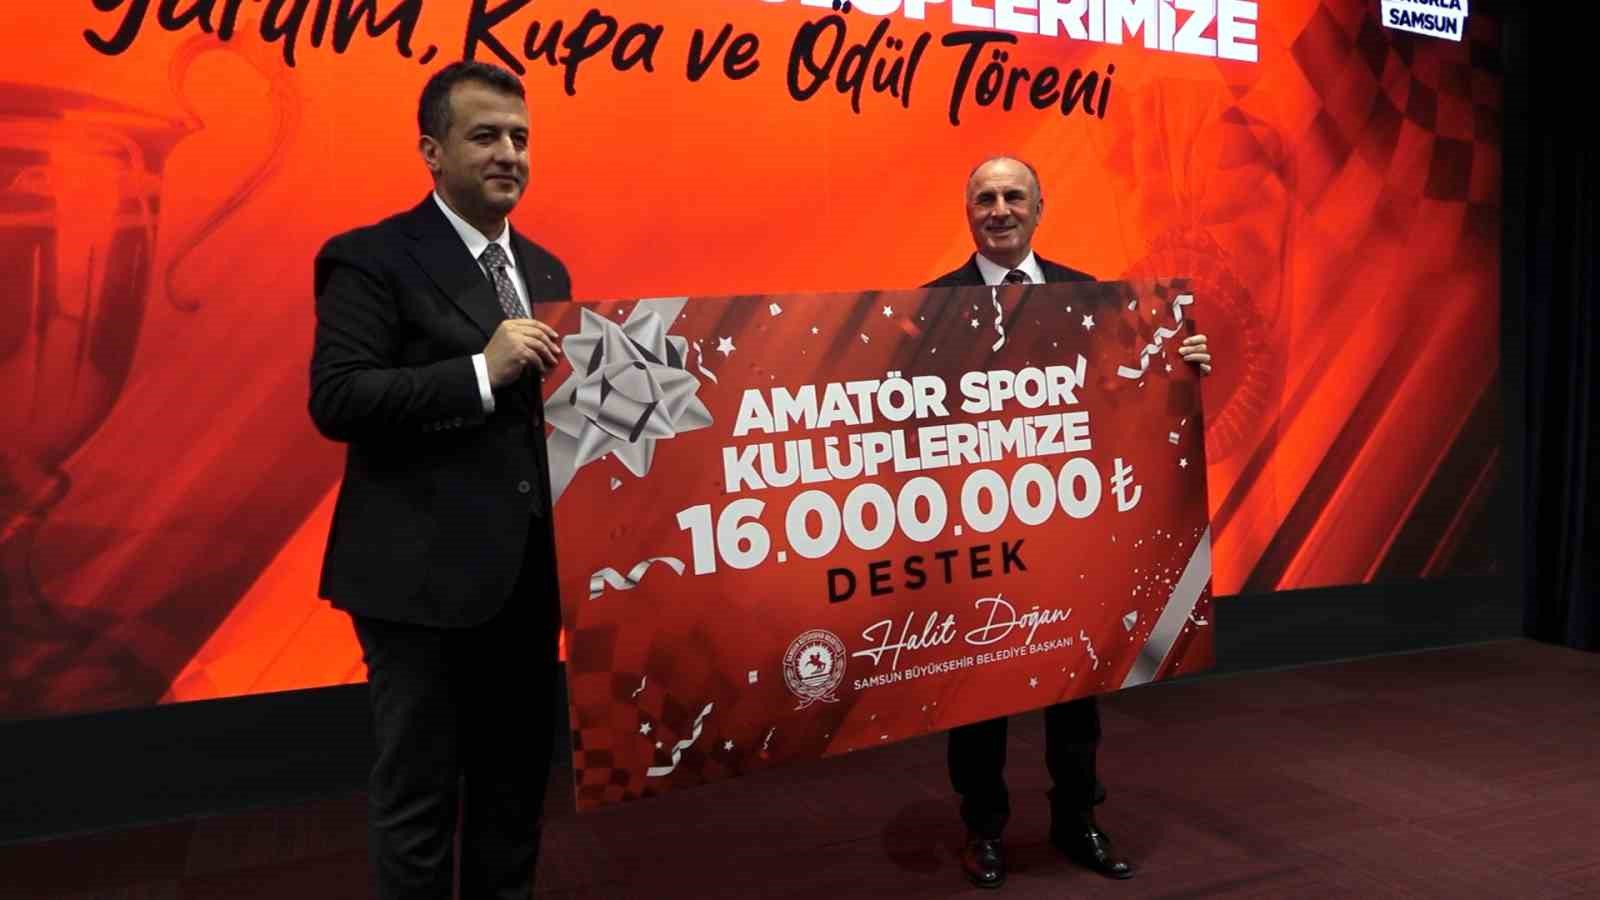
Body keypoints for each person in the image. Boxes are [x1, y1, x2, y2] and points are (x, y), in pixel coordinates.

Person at [308, 60, 571, 900]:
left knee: (514, 794)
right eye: (485, 135)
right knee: (419, 803)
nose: (509, 154)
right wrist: (481, 370)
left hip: (526, 583)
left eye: (520, 138)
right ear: (432, 150)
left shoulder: (547, 270)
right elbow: (338, 398)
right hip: (416, 586)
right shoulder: (370, 257)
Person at [927, 156, 1213, 890]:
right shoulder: (928, 307)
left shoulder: (1096, 298)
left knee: (1077, 690)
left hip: (1073, 531)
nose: (999, 209)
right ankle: (984, 828)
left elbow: (1129, 391)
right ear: (968, 211)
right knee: (977, 695)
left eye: (1012, 196)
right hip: (981, 534)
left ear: (1038, 207)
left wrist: (1183, 364)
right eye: (985, 198)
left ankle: (1078, 819)